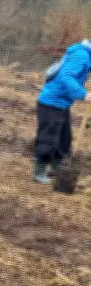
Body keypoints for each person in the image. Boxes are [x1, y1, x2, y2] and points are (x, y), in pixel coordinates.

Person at [33, 39, 91, 184]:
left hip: (62, 103)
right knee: (48, 138)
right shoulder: (81, 55)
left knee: (64, 138)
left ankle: (56, 168)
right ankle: (39, 172)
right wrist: (83, 94)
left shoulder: (83, 54)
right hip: (52, 102)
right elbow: (66, 76)